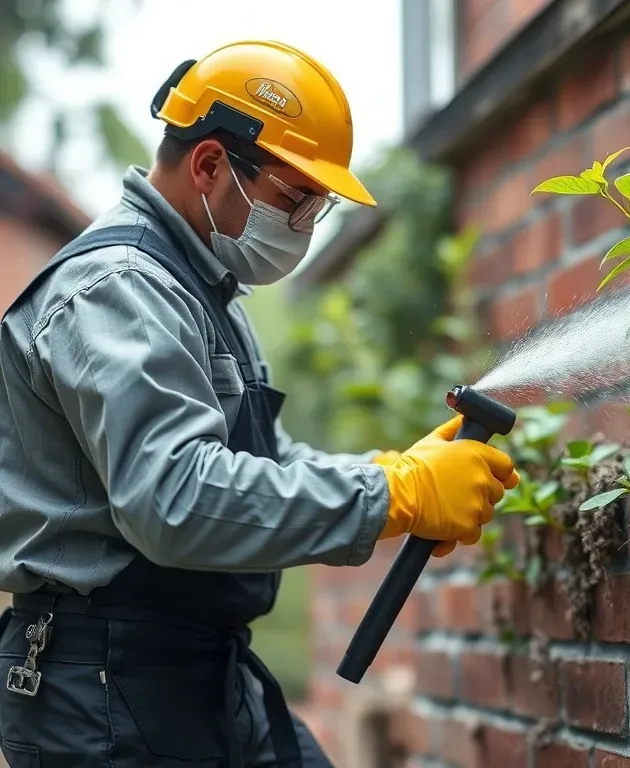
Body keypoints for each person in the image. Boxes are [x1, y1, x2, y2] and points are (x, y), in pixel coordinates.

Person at [0, 40, 518, 768]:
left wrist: (395, 471)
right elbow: (176, 498)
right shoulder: (118, 288)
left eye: (318, 204)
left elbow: (258, 461)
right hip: (107, 689)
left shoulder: (200, 291)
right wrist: (392, 493)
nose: (306, 224)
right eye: (294, 197)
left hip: (194, 669)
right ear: (210, 164)